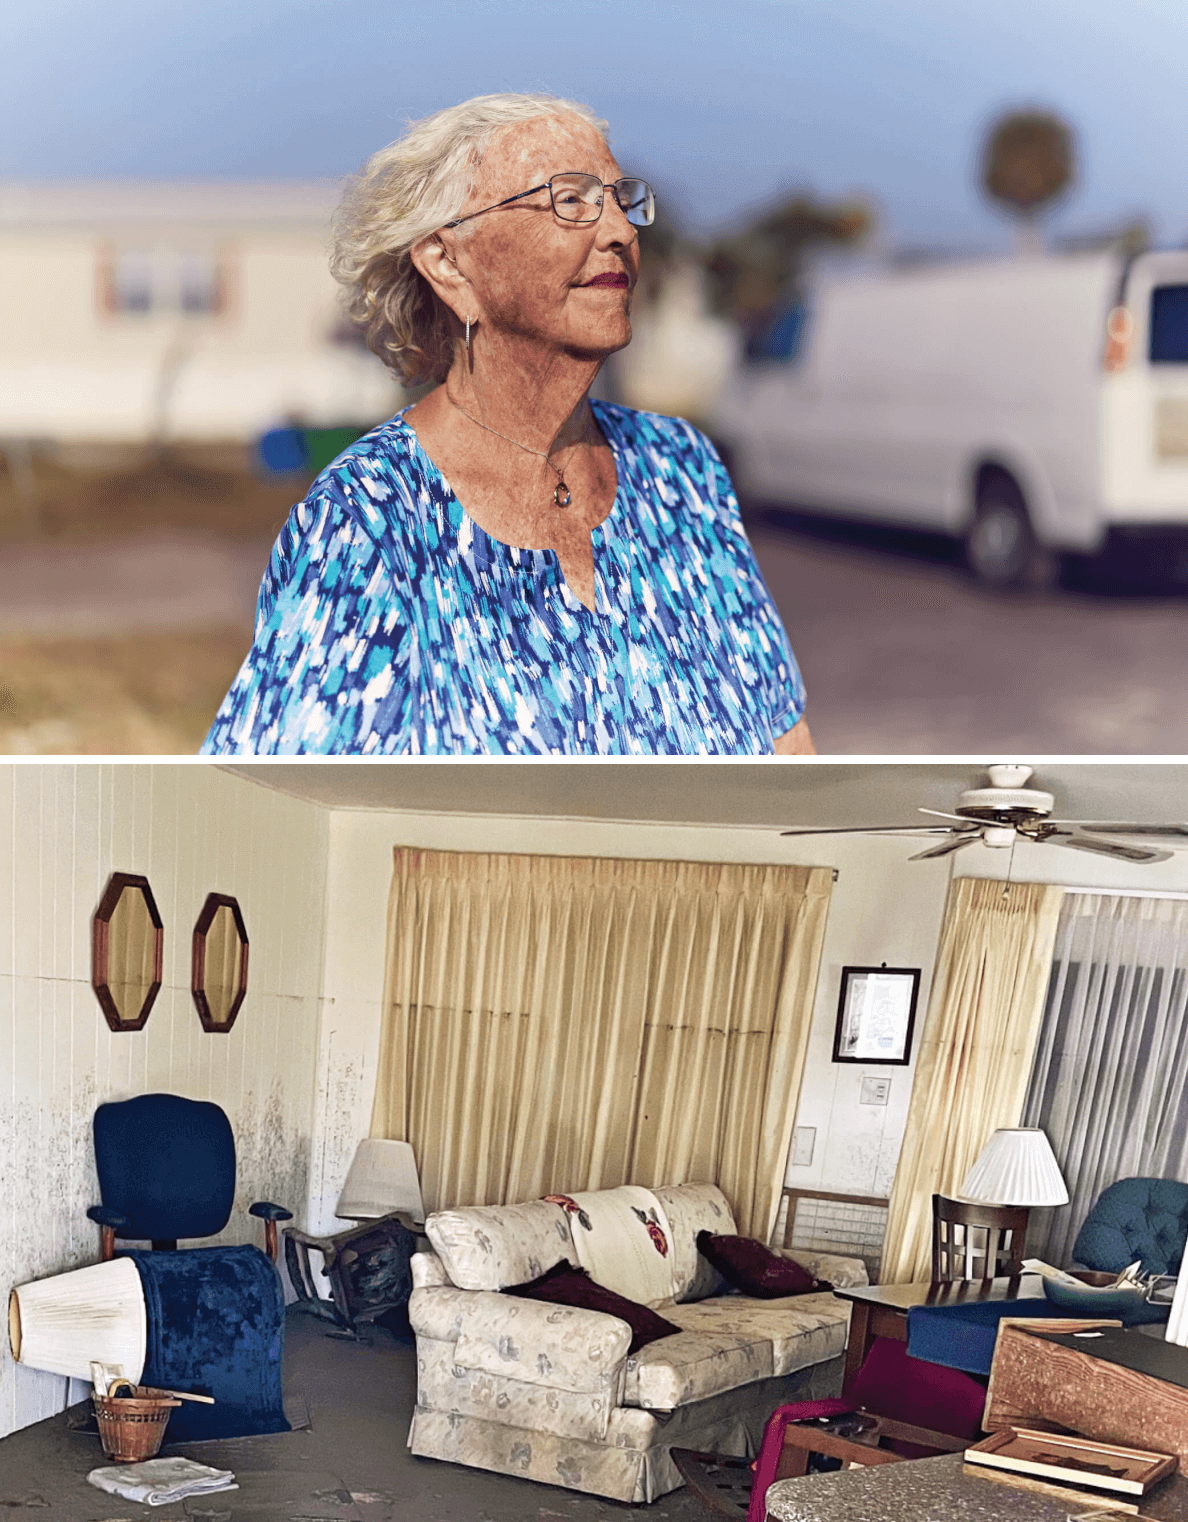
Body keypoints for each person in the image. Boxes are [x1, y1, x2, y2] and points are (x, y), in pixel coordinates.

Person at [200, 93, 816, 755]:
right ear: (449, 262)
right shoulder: (366, 521)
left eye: (622, 200)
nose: (620, 233)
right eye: (570, 200)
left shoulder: (681, 469)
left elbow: (787, 741)